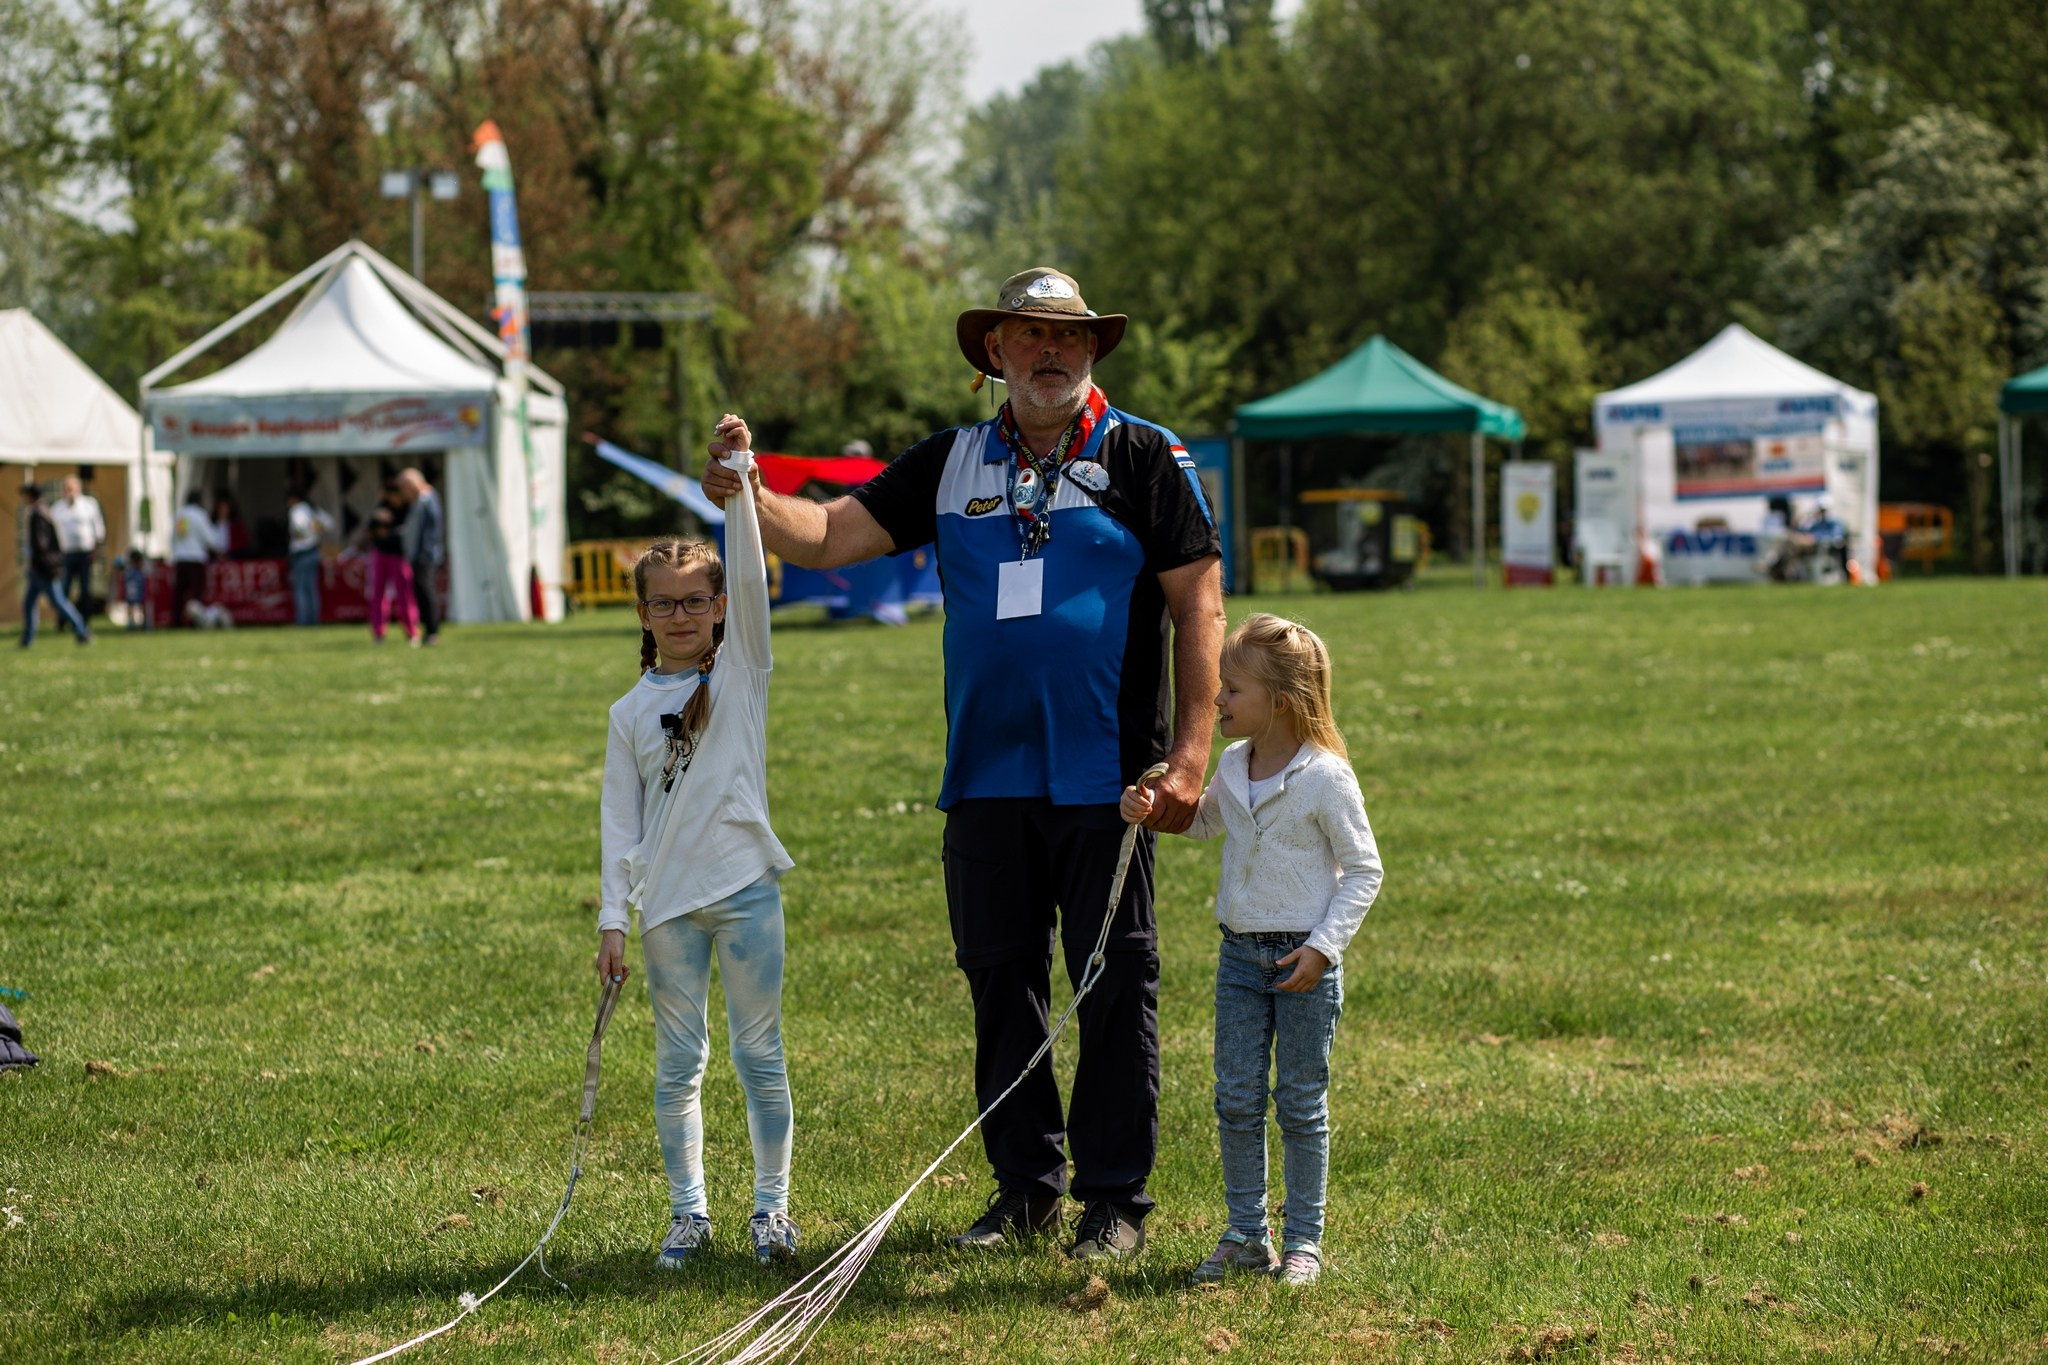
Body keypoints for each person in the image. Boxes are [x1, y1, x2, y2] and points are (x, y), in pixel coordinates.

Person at [700, 266, 1226, 1262]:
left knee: (1114, 983)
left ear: (1090, 351)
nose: (1049, 353)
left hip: (1108, 775)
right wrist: (749, 493)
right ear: (994, 353)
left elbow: (1199, 605)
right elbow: (828, 538)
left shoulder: (1146, 454)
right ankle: (1024, 1192)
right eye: (1027, 335)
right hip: (985, 776)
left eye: (1067, 337)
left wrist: (1189, 756)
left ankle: (1113, 1204)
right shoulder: (947, 462)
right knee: (1000, 981)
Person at [1120, 613, 1381, 1289]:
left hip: (1302, 965)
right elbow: (1208, 822)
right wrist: (1152, 810)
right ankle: (1244, 1234)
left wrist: (1323, 949)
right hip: (1238, 959)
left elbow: (1364, 871)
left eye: (1232, 690)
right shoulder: (1233, 766)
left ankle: (1303, 1242)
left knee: (1298, 1100)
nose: (1218, 701)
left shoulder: (1327, 778)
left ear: (1282, 702)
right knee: (1235, 1097)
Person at [596, 414, 800, 1271]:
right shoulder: (629, 711)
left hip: (748, 892)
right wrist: (613, 917)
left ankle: (771, 1212)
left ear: (719, 608)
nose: (681, 614)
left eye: (697, 600)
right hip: (668, 911)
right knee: (678, 1064)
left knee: (761, 1056)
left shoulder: (741, 669)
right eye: (664, 603)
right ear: (642, 612)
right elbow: (620, 823)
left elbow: (749, 569)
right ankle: (689, 1215)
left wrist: (740, 474)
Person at [19, 483, 93, 647]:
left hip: (43, 568)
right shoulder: (44, 511)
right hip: (40, 567)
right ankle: (27, 639)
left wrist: (38, 562)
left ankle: (82, 630)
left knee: (59, 602)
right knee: (30, 603)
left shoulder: (38, 514)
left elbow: (41, 544)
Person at [359, 481, 419, 645]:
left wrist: (389, 532)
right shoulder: (382, 507)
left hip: (398, 556)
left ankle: (411, 631)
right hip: (380, 553)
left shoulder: (408, 509)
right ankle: (378, 632)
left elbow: (407, 532)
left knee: (404, 595)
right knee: (378, 594)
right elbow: (371, 530)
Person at [398, 468, 444, 645]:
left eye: (405, 487)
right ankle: (428, 629)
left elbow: (431, 529)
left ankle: (432, 630)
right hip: (419, 554)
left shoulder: (427, 498)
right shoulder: (421, 499)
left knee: (426, 591)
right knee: (421, 592)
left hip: (426, 554)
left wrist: (424, 552)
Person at [51, 476, 106, 621]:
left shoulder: (89, 504)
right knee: (64, 587)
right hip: (65, 554)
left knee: (85, 588)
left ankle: (85, 619)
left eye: (72, 489)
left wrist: (96, 550)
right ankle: (62, 620)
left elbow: (98, 529)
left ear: (78, 489)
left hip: (85, 553)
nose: (69, 492)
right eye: (67, 489)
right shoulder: (57, 508)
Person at [169, 490, 223, 628]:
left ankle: (176, 622)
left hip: (180, 559)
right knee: (196, 593)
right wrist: (218, 551)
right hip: (196, 559)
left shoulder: (179, 515)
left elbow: (173, 537)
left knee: (179, 593)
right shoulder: (200, 515)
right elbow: (208, 539)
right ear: (199, 501)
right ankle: (195, 621)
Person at [286, 489, 333, 627]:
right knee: (311, 588)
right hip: (314, 551)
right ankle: (314, 619)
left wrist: (311, 530)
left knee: (301, 588)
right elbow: (329, 523)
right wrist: (316, 528)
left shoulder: (297, 510)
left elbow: (299, 528)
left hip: (302, 553)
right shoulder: (312, 509)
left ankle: (303, 621)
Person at [121, 549, 150, 630]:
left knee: (133, 606)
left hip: (132, 593)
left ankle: (132, 623)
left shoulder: (129, 573)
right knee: (140, 606)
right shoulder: (141, 573)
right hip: (138, 593)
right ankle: (143, 623)